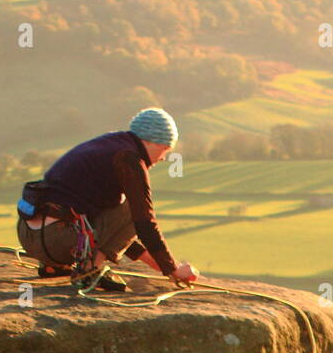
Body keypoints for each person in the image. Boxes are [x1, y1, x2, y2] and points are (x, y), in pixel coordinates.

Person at [16, 107, 198, 292]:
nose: (163, 157)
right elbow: (142, 221)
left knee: (120, 209)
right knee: (132, 207)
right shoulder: (128, 158)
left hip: (29, 236)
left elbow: (116, 234)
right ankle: (89, 270)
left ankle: (54, 266)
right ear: (154, 141)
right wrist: (173, 269)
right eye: (166, 148)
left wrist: (161, 266)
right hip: (56, 241)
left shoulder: (108, 146)